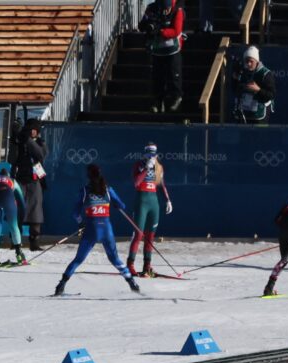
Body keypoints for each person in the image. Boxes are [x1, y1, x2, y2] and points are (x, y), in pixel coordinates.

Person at [55, 165, 140, 296]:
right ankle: (132, 283)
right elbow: (122, 205)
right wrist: (116, 204)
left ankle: (61, 286)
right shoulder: (108, 189)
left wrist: (80, 223)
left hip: (91, 229)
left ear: (88, 176)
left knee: (78, 259)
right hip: (106, 229)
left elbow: (75, 213)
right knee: (115, 259)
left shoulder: (84, 190)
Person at [126, 142, 173, 277]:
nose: (152, 157)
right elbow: (136, 183)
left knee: (150, 236)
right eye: (150, 154)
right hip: (142, 201)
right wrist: (146, 169)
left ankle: (147, 265)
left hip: (154, 203)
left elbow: (162, 184)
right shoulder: (139, 165)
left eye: (154, 155)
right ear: (145, 153)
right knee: (138, 234)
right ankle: (130, 265)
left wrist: (168, 200)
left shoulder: (159, 167)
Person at [139, 0, 185, 113]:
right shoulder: (151, 9)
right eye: (163, 8)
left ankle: (175, 98)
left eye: (167, 8)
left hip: (173, 49)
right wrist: (149, 27)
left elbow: (176, 30)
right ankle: (157, 101)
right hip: (157, 49)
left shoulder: (177, 11)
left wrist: (161, 31)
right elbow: (142, 25)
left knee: (173, 76)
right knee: (157, 77)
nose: (165, 11)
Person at [11, 118, 47, 251]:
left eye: (34, 130)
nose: (32, 132)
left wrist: (27, 140)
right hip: (19, 179)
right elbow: (12, 154)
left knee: (35, 211)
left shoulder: (40, 143)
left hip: (34, 179)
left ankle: (34, 242)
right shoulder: (20, 141)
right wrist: (17, 135)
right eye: (29, 130)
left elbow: (40, 154)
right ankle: (15, 241)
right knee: (17, 210)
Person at [231, 46, 276, 124]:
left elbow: (271, 95)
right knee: (243, 135)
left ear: (257, 61)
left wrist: (258, 90)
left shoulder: (266, 74)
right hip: (244, 112)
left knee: (260, 135)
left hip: (259, 115)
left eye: (251, 61)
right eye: (247, 61)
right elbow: (235, 89)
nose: (249, 64)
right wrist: (235, 79)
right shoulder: (242, 72)